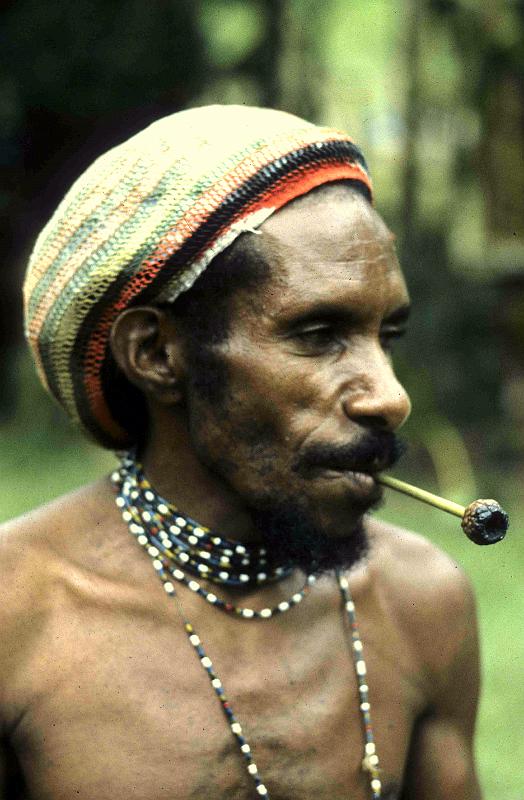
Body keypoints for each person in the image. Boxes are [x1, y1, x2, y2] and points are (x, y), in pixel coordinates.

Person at [0, 106, 481, 799]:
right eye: (319, 334)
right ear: (157, 354)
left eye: (388, 336)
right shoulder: (22, 615)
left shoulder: (423, 603)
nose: (388, 396)